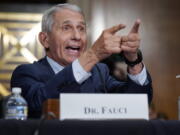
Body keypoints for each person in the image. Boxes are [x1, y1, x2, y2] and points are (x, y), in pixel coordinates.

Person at [11, 3, 152, 118]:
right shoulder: (26, 74)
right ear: (45, 39)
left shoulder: (99, 72)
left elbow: (135, 103)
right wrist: (92, 56)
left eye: (81, 29)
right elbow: (38, 104)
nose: (77, 36)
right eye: (66, 28)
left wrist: (133, 61)